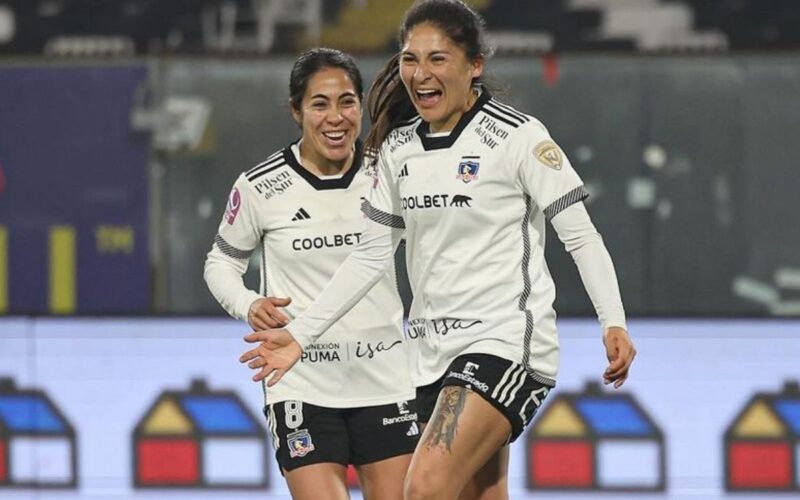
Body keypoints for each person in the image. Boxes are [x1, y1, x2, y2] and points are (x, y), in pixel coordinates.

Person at [240, 1, 637, 498]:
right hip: (429, 358)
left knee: (423, 486)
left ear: (475, 66)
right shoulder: (398, 149)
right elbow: (369, 256)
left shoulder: (517, 138)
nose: (420, 73)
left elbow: (579, 234)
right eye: (410, 59)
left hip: (504, 346)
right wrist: (300, 335)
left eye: (437, 59)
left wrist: (613, 320)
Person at [204, 47, 417, 500]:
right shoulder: (260, 186)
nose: (335, 118)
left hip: (384, 379)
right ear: (296, 110)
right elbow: (220, 263)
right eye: (320, 103)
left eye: (347, 101)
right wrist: (249, 304)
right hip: (301, 383)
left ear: (361, 106)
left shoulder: (392, 174)